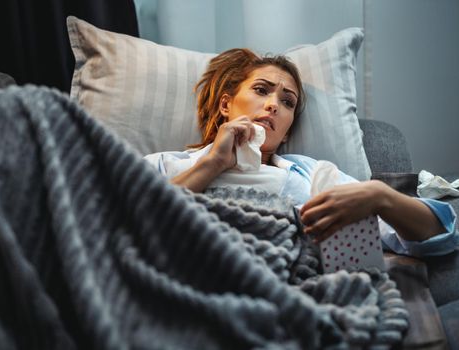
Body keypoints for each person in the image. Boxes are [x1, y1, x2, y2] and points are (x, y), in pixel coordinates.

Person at [144, 48, 458, 257]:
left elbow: (437, 236)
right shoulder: (163, 166)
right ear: (226, 105)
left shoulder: (311, 176)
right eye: (261, 90)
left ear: (287, 131)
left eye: (287, 102)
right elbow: (121, 222)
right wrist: (213, 163)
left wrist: (380, 196)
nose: (272, 105)